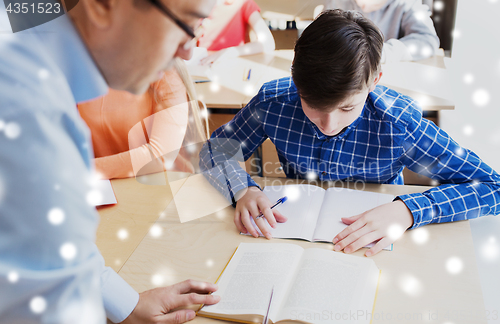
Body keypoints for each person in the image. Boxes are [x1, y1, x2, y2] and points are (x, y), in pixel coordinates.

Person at [200, 10, 500, 257]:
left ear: (375, 81)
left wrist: (408, 211)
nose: (328, 125)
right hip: (288, 239)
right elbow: (213, 150)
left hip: (376, 246)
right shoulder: (273, 102)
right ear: (294, 76)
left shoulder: (397, 123)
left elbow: (492, 186)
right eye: (312, 105)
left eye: (347, 108)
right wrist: (243, 189)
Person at [0, 0, 220, 323]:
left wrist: (124, 304)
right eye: (187, 25)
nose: (188, 52)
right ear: (103, 4)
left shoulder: (39, 66)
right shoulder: (27, 112)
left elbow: (54, 250)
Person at [78, 59, 208, 180]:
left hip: (159, 182)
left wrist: (79, 169)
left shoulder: (165, 68)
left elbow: (161, 155)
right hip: (99, 185)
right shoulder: (77, 65)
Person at [323, 0, 440, 63]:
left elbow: (428, 40)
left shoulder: (408, 4)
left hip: (391, 77)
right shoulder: (336, 2)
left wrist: (381, 52)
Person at [196, 0, 275, 65]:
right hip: (202, 63)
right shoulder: (197, 4)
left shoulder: (244, 3)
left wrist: (228, 52)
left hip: (233, 63)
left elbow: (268, 43)